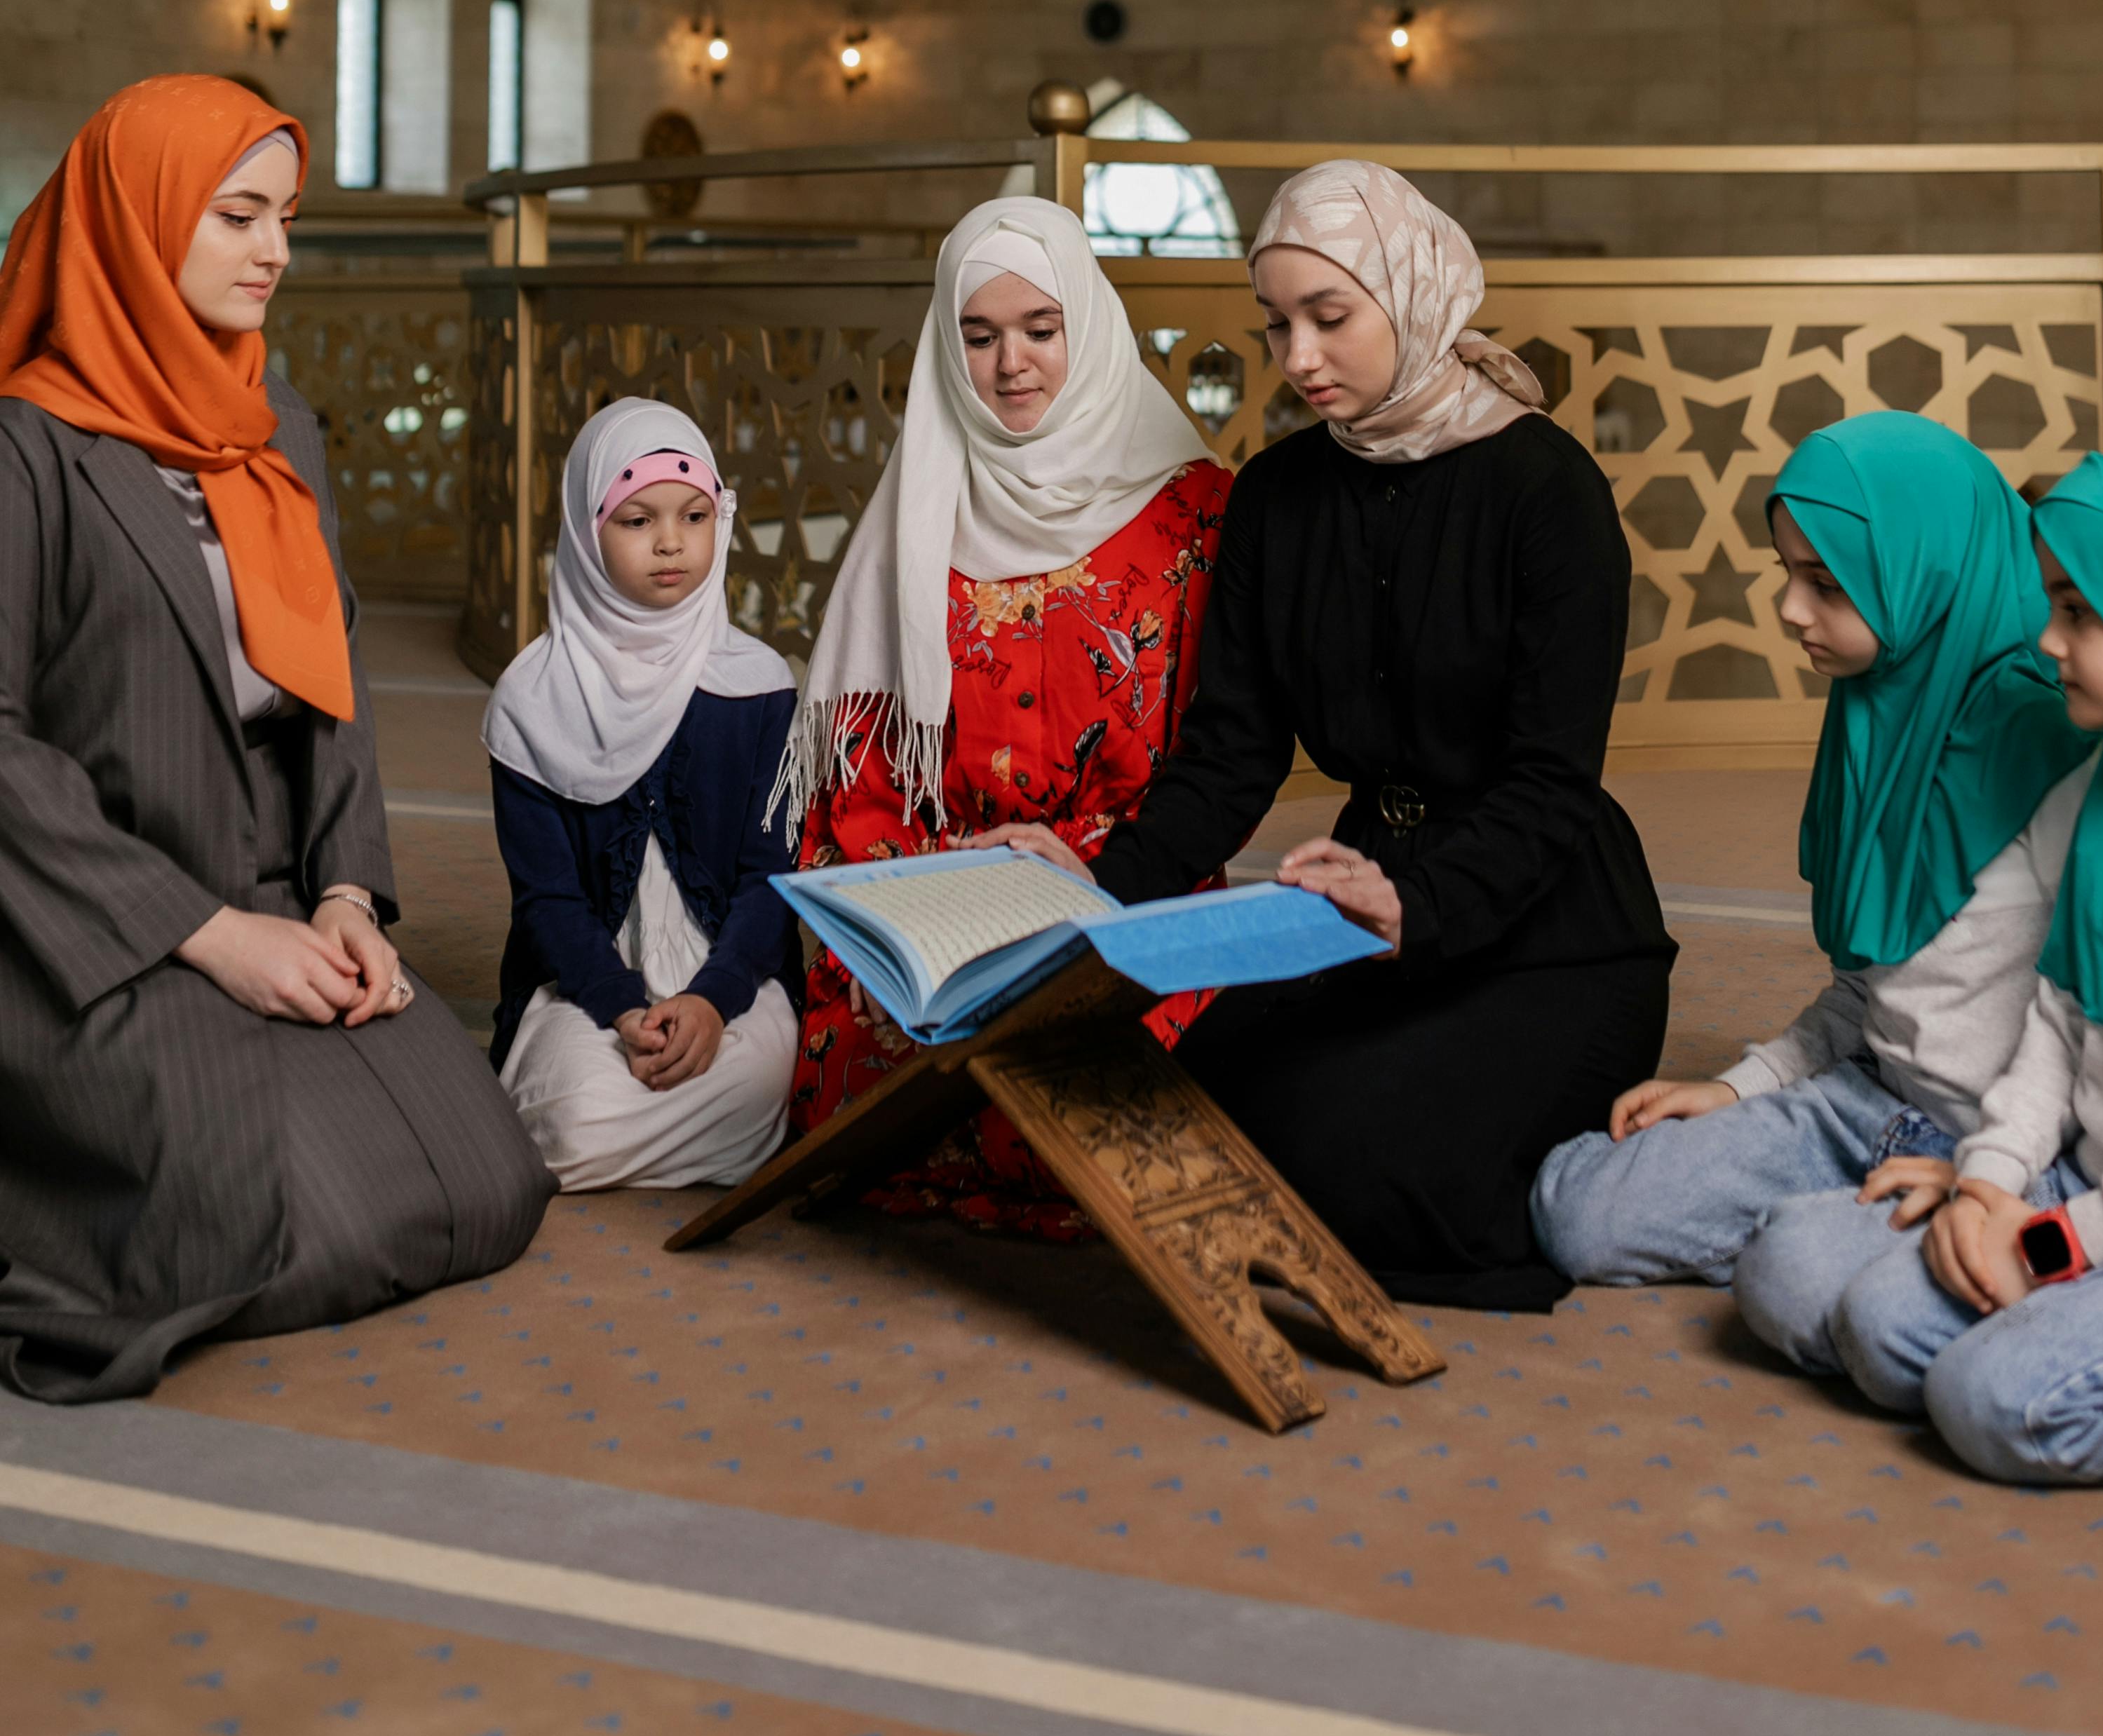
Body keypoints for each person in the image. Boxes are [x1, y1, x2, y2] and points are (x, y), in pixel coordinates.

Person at [1001, 160, 1671, 1312]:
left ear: (1409, 295)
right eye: (1276, 326)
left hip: (1544, 918)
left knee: (1366, 1165)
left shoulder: (1542, 489)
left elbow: (1550, 787)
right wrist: (1096, 888)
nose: (1299, 358)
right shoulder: (1278, 495)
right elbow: (1230, 755)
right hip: (1352, 898)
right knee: (1186, 1109)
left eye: (1330, 317)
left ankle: (1606, 1182)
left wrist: (1414, 905)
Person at [0, 76, 550, 1403]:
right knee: (264, 1224)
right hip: (88, 920)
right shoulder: (26, 445)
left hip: (276, 888)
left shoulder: (276, 425)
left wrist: (349, 895)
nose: (277, 252)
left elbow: (331, 687)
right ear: (138, 223)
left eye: (285, 218)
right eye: (238, 215)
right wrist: (212, 936)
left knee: (485, 1179)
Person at [1531, 412, 2091, 1367]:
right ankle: (1867, 1241)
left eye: (1825, 585)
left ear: (1926, 576)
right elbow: (1867, 989)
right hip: (1866, 1102)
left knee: (1794, 1282)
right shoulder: (1872, 727)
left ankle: (1916, 1253)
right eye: (1786, 574)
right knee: (1576, 1206)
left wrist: (1996, 1172)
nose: (1791, 610)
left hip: (2012, 1145)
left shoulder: (2059, 751)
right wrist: (1738, 1087)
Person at [1826, 447, 2103, 1485]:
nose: (2046, 640)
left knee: (1993, 1402)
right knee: (1876, 1326)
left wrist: (2053, 1246)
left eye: (2080, 612)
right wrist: (1990, 1183)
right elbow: (2055, 1024)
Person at [784, 194, 1227, 1233]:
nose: (1010, 365)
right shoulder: (916, 510)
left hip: (1120, 884)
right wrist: (929, 898)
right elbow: (862, 773)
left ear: (1091, 325)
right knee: (877, 1060)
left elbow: (1221, 754)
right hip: (948, 886)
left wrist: (1096, 874)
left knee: (1116, 1069)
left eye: (1040, 330)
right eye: (977, 338)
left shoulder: (1194, 510)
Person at [484, 400, 802, 1190]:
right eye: (636, 520)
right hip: (588, 985)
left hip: (728, 978)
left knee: (756, 1088)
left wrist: (710, 1001)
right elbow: (547, 900)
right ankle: (674, 1126)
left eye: (694, 515)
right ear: (587, 534)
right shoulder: (533, 699)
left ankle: (700, 1114)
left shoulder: (760, 685)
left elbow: (773, 878)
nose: (671, 542)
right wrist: (623, 1008)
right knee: (572, 1118)